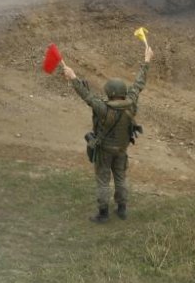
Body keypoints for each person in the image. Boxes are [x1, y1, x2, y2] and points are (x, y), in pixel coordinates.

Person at [61, 42, 153, 223]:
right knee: (120, 179)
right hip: (121, 150)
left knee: (103, 181)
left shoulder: (103, 108)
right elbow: (139, 84)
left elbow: (87, 96)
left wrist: (72, 77)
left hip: (104, 151)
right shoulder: (131, 103)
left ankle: (103, 214)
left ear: (109, 93)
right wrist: (147, 61)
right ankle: (122, 209)